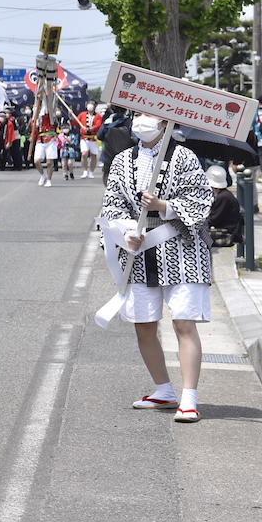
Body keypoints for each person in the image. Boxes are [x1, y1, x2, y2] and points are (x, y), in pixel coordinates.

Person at [98, 114, 214, 423]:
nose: (141, 122)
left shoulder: (184, 156)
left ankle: (189, 397)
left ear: (165, 123)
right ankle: (163, 389)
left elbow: (202, 202)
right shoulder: (123, 160)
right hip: (139, 254)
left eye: (150, 117)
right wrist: (124, 232)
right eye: (138, 115)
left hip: (182, 250)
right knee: (144, 324)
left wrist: (164, 206)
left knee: (183, 323)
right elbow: (111, 205)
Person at [205, 165, 243, 248]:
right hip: (227, 232)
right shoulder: (224, 195)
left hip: (226, 235)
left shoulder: (223, 197)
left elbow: (213, 219)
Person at [74, 105, 104, 179]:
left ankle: (91, 172)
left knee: (93, 155)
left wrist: (91, 129)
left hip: (93, 138)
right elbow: (76, 123)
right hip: (84, 138)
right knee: (84, 154)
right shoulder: (82, 115)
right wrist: (72, 118)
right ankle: (84, 171)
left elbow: (98, 125)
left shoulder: (98, 116)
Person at [32, 112, 60, 187]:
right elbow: (33, 126)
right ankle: (42, 175)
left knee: (49, 162)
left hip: (51, 140)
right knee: (36, 161)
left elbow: (58, 125)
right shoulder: (37, 115)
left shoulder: (52, 115)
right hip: (40, 140)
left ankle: (49, 180)